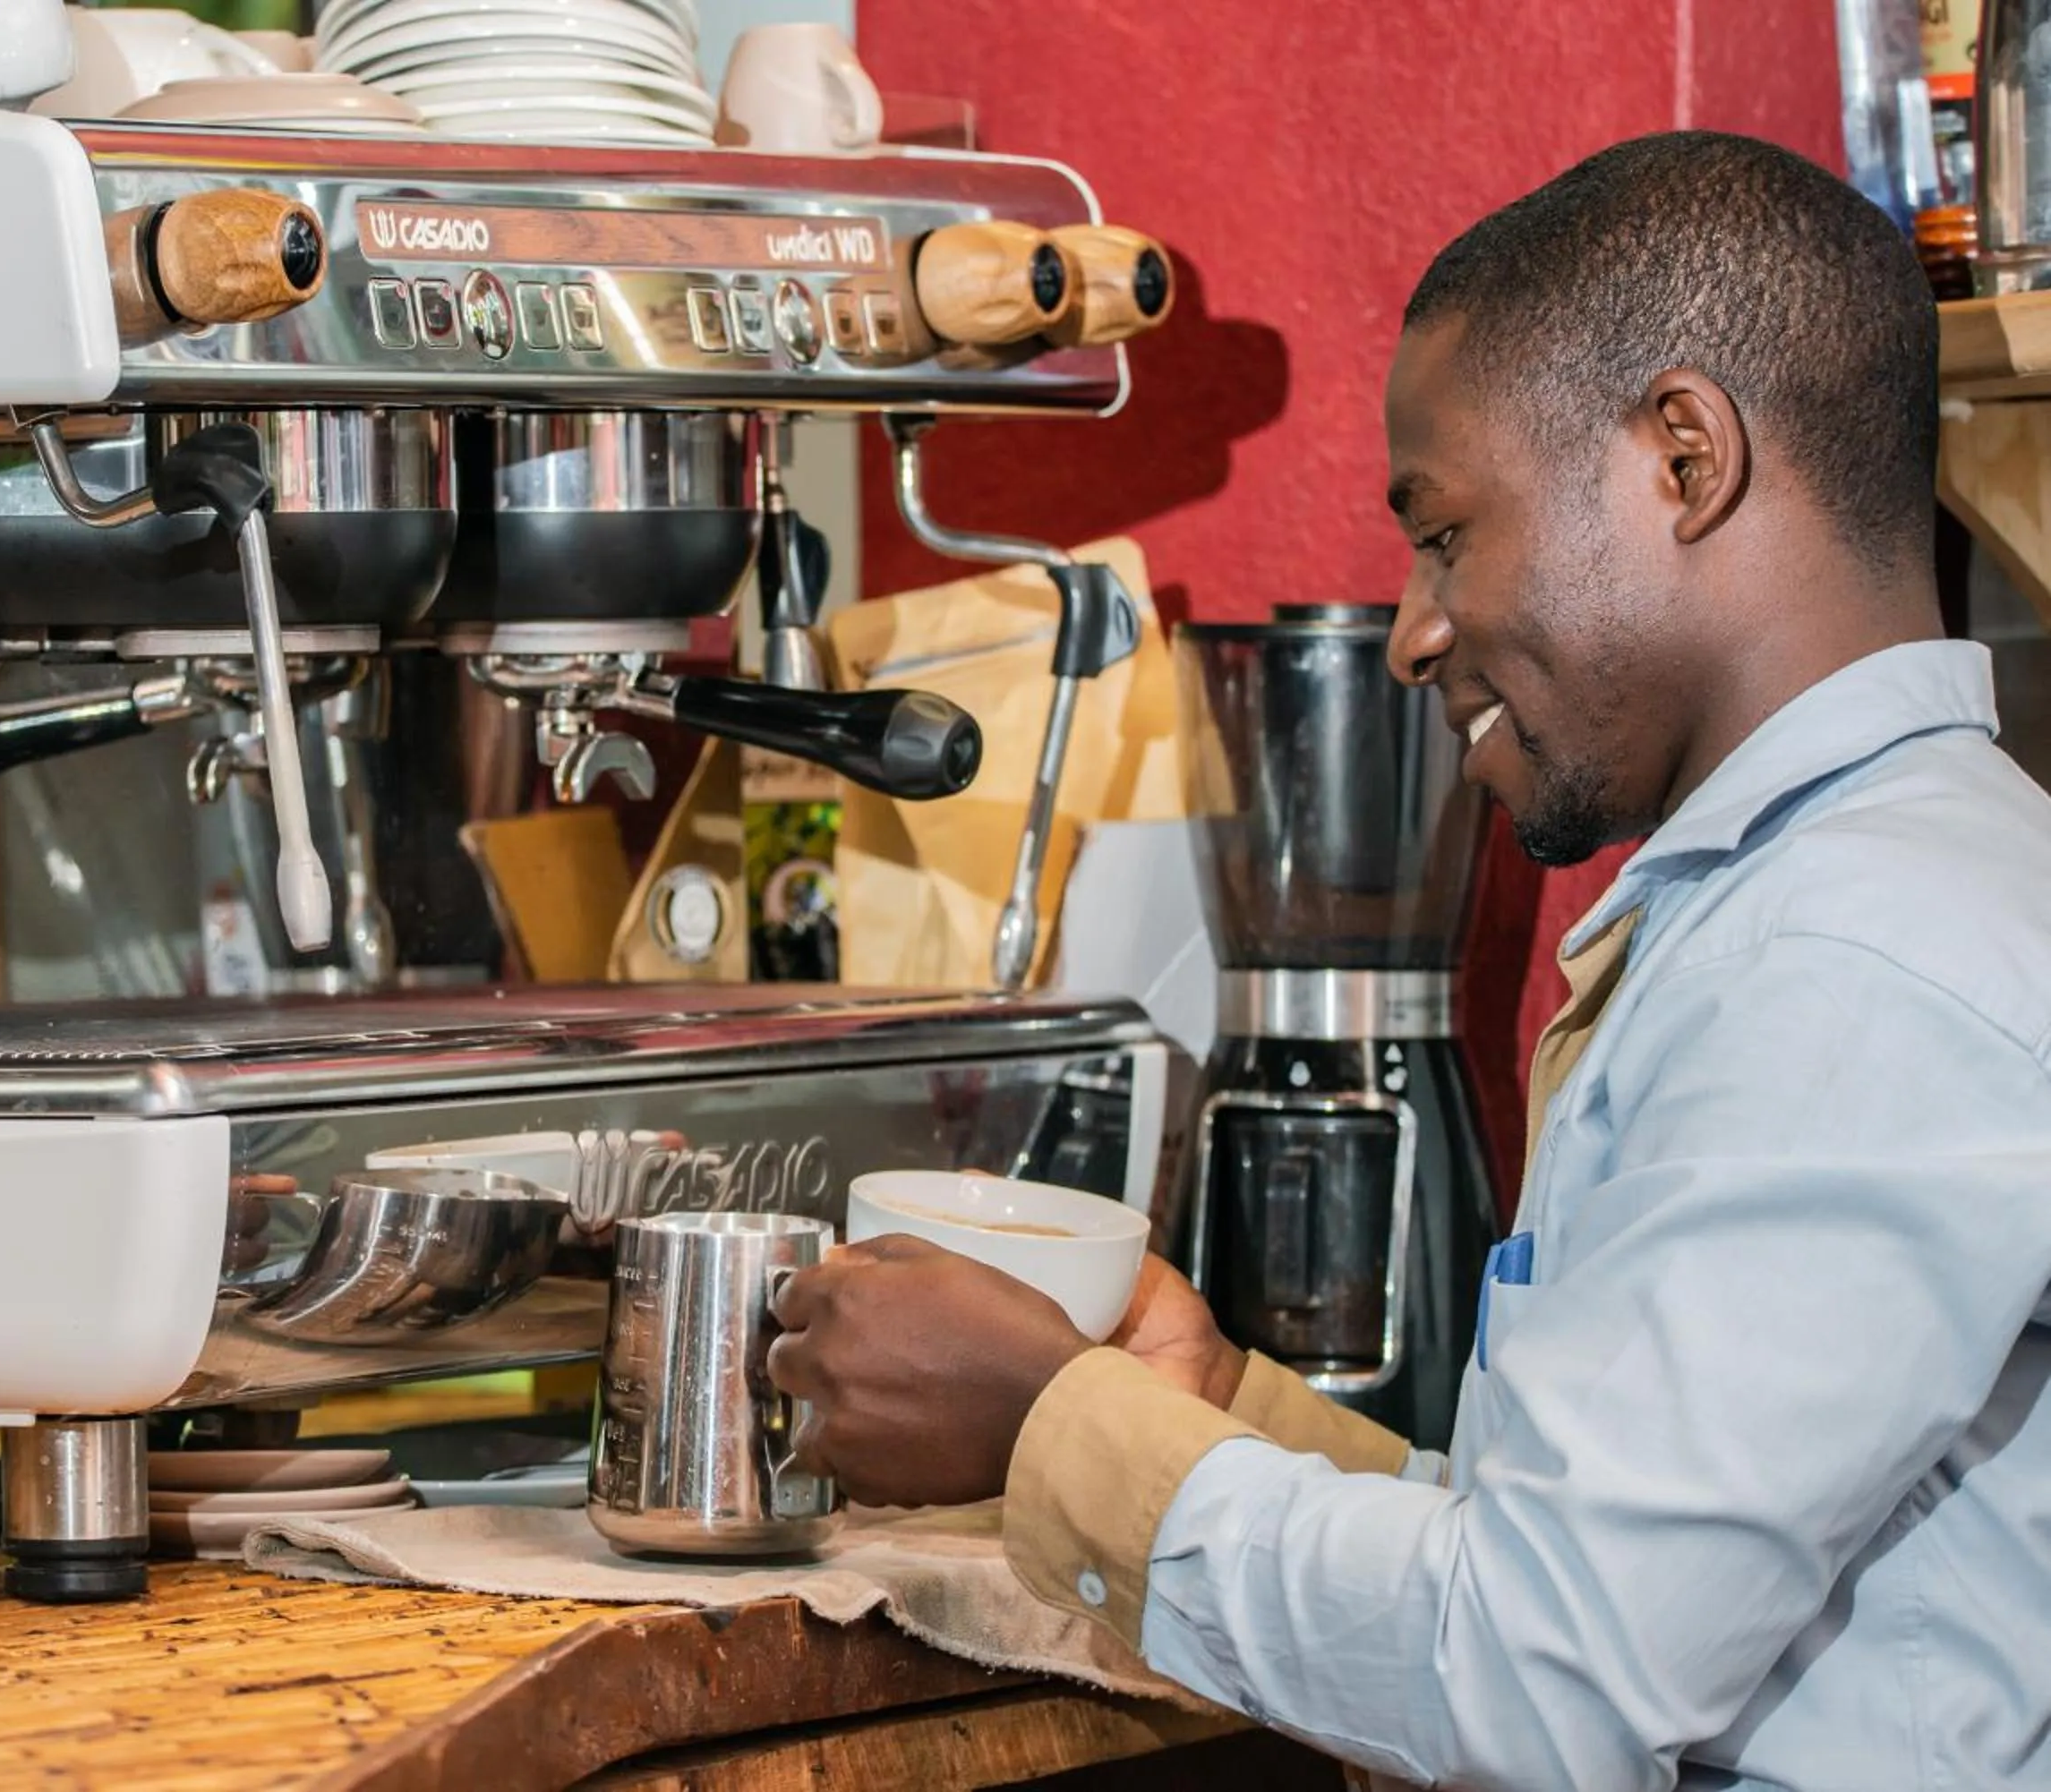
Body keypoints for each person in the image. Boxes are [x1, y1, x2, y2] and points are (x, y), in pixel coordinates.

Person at [766, 130, 2051, 1792]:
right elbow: (1605, 1575)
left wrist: (1047, 1428)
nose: (1411, 628)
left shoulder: (1858, 951)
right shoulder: (1827, 895)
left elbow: (1543, 1682)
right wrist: (1217, 1408)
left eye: (1443, 532)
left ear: (1684, 459)